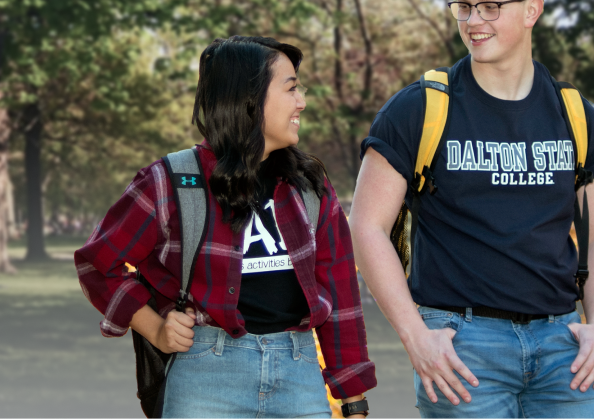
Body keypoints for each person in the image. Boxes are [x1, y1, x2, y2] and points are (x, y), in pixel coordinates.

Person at [349, 0, 594, 418]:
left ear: (532, 10)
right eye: (465, 6)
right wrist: (417, 338)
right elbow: (366, 229)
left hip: (565, 346)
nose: (473, 21)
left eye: (491, 7)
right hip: (462, 350)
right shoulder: (418, 110)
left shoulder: (578, 116)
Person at [75, 36, 375, 418]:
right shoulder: (170, 180)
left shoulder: (310, 185)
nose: (301, 101)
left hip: (299, 377)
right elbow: (98, 262)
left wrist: (353, 399)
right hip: (206, 377)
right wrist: (154, 328)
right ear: (248, 99)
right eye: (291, 87)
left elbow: (340, 294)